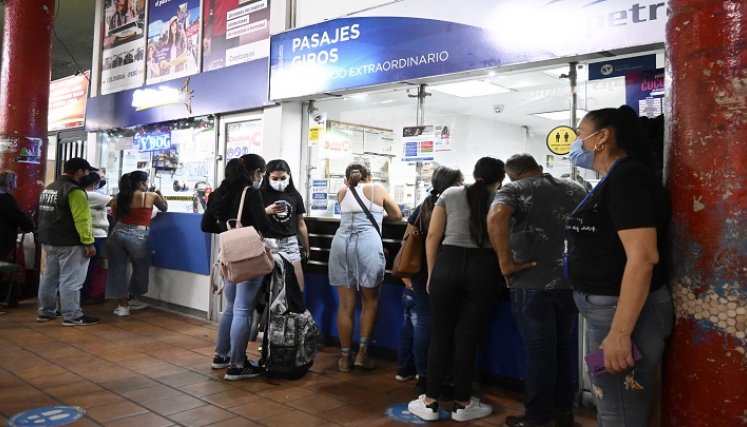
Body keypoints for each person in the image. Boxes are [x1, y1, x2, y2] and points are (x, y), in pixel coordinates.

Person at [567, 105, 673, 426]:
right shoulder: (613, 179)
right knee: (608, 399)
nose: (577, 143)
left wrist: (619, 333)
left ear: (603, 137)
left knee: (619, 409)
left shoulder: (628, 177)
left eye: (581, 134)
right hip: (604, 313)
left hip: (622, 316)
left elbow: (643, 257)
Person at [487, 154, 587, 427]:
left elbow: (496, 218)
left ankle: (537, 418)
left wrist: (505, 262)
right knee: (563, 348)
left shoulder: (514, 189)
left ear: (511, 175)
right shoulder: (576, 187)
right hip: (568, 281)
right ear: (539, 168)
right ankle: (563, 412)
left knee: (539, 353)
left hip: (531, 282)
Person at [408, 157, 506, 422]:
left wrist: (433, 273)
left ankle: (430, 402)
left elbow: (432, 236)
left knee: (440, 335)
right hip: (484, 269)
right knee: (467, 337)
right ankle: (463, 403)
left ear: (474, 174)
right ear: (501, 178)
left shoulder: (450, 193)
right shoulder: (502, 197)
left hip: (447, 265)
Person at [202, 155, 272, 381]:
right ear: (255, 173)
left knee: (231, 307)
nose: (261, 177)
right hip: (247, 255)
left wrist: (228, 230)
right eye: (261, 172)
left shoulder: (218, 193)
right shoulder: (250, 193)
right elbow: (264, 226)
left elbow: (206, 225)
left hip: (227, 254)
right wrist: (265, 213)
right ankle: (237, 364)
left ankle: (221, 355)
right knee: (243, 309)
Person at [395, 166, 463, 393]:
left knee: (425, 323)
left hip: (421, 271)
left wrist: (407, 275)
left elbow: (407, 238)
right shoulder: (458, 206)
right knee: (449, 327)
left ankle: (423, 376)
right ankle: (447, 378)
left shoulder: (424, 205)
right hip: (449, 269)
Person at [329, 162, 402, 372]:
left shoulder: (342, 192)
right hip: (368, 243)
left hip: (341, 243)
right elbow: (397, 215)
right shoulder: (377, 189)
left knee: (345, 305)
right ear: (369, 176)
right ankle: (362, 353)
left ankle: (344, 358)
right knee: (370, 300)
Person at [37, 158, 100, 326]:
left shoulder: (49, 188)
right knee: (71, 280)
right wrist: (88, 242)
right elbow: (82, 220)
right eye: (86, 172)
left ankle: (46, 311)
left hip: (50, 241)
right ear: (79, 172)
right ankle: (72, 315)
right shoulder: (75, 191)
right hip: (70, 243)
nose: (88, 175)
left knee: (49, 277)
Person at [106, 171, 168, 316]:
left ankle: (123, 305)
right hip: (139, 236)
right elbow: (164, 207)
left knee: (117, 269)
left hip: (117, 234)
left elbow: (115, 218)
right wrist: (159, 191)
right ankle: (134, 297)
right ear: (141, 183)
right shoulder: (150, 196)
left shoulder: (119, 198)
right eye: (145, 182)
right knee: (141, 267)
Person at [260, 159, 310, 291]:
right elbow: (251, 220)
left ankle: (295, 310)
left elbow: (300, 223)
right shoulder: (260, 194)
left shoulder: (295, 195)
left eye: (283, 178)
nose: (279, 182)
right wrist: (265, 211)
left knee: (298, 285)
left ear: (289, 175)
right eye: (275, 178)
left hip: (290, 243)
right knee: (267, 287)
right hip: (266, 243)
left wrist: (306, 247)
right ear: (267, 177)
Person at [80, 172, 112, 305]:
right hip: (95, 236)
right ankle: (83, 296)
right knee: (88, 268)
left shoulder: (80, 193)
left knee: (84, 267)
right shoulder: (92, 195)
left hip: (88, 235)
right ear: (94, 183)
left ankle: (81, 295)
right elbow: (116, 201)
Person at [0, 171, 34, 261]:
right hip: (3, 237)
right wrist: (29, 226)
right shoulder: (7, 199)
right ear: (9, 183)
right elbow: (17, 216)